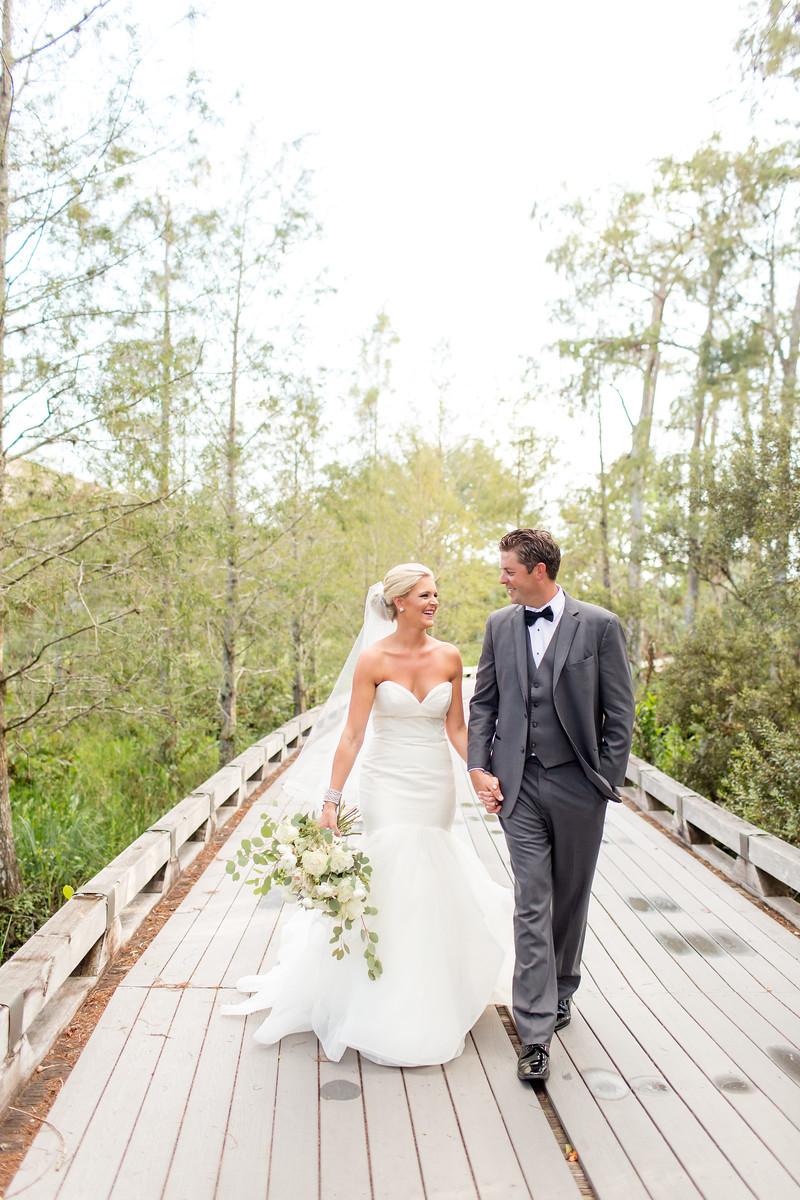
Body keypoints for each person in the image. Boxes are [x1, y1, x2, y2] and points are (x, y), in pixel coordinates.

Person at [221, 563, 513, 1068]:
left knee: (430, 874)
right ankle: (381, 988)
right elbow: (353, 735)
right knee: (392, 875)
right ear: (399, 602)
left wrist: (478, 773)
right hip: (386, 782)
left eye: (435, 594)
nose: (434, 602)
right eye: (424, 595)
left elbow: (458, 729)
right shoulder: (373, 659)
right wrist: (331, 800)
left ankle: (431, 988)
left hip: (433, 782)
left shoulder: (449, 656)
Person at [468, 529, 634, 1084]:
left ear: (539, 571)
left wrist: (603, 782)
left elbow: (620, 713)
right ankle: (534, 1034)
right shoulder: (499, 625)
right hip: (517, 786)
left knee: (570, 896)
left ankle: (563, 987)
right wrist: (478, 766)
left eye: (509, 570)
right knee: (532, 900)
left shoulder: (600, 625)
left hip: (578, 786)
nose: (503, 580)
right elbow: (484, 702)